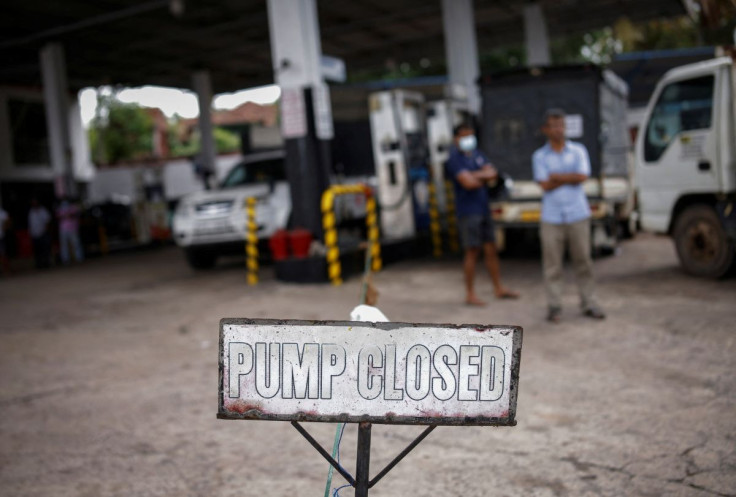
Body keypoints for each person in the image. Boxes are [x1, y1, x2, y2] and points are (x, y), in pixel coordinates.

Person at [532, 109, 605, 323]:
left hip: (577, 214)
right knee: (553, 265)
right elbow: (545, 184)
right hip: (552, 217)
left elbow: (582, 176)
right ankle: (554, 306)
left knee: (584, 260)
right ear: (545, 129)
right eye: (553, 125)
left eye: (561, 125)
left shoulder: (578, 150)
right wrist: (569, 177)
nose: (558, 130)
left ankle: (590, 302)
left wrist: (557, 177)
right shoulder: (539, 156)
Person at [446, 123, 518, 306]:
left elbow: (492, 173)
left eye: (471, 135)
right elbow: (467, 183)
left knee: (491, 249)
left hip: (483, 208)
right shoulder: (454, 159)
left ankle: (498, 288)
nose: (469, 139)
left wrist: (474, 176)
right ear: (456, 138)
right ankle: (470, 294)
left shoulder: (477, 154)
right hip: (468, 212)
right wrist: (482, 176)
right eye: (465, 136)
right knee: (472, 251)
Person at [56, 197, 84, 264]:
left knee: (76, 244)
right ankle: (65, 259)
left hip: (72, 228)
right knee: (64, 245)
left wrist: (69, 215)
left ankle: (79, 258)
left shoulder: (73, 207)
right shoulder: (60, 208)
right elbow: (57, 217)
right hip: (63, 229)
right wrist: (64, 216)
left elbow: (77, 214)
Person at [28, 198, 52, 269]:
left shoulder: (43, 210)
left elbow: (47, 221)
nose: (34, 204)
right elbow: (30, 223)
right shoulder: (31, 212)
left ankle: (46, 264)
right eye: (33, 203)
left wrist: (46, 231)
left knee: (45, 249)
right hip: (34, 234)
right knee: (37, 251)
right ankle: (39, 264)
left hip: (43, 233)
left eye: (35, 202)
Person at [0, 205, 10, 275]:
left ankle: (6, 270)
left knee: (3, 254)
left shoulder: (2, 213)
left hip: (1, 236)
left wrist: (4, 228)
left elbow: (8, 221)